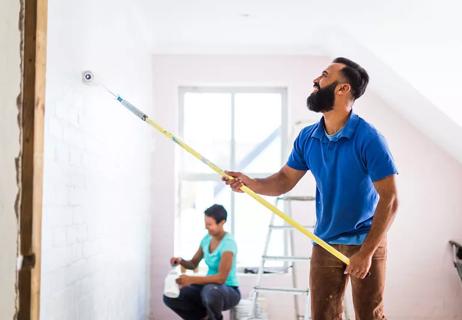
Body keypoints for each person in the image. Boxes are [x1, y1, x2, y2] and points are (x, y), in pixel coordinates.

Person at [223, 57, 398, 320]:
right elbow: (284, 179)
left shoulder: (369, 138)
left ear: (342, 89)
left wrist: (367, 252)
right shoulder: (308, 138)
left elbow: (390, 199)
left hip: (364, 240)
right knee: (323, 316)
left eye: (325, 76)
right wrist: (251, 183)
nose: (316, 80)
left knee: (369, 316)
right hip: (325, 240)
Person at [163, 204, 240, 320]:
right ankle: (203, 317)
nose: (206, 227)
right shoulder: (206, 239)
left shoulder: (228, 243)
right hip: (208, 287)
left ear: (222, 222)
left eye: (209, 224)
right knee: (171, 297)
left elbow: (221, 278)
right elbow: (193, 264)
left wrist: (191, 279)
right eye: (205, 223)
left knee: (210, 291)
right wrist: (180, 261)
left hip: (228, 290)